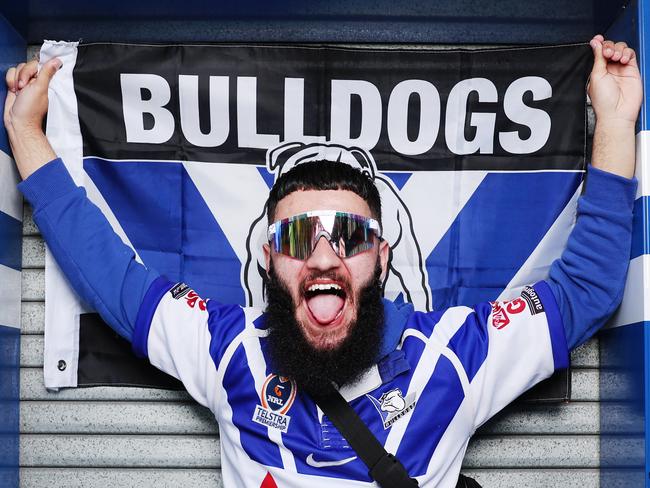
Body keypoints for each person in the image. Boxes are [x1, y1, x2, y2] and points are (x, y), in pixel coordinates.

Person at [3, 35, 642, 487]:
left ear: (384, 256)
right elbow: (111, 276)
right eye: (298, 237)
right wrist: (29, 135)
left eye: (348, 235)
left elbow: (584, 290)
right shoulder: (231, 350)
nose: (324, 257)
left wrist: (614, 122)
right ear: (266, 257)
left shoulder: (455, 357)